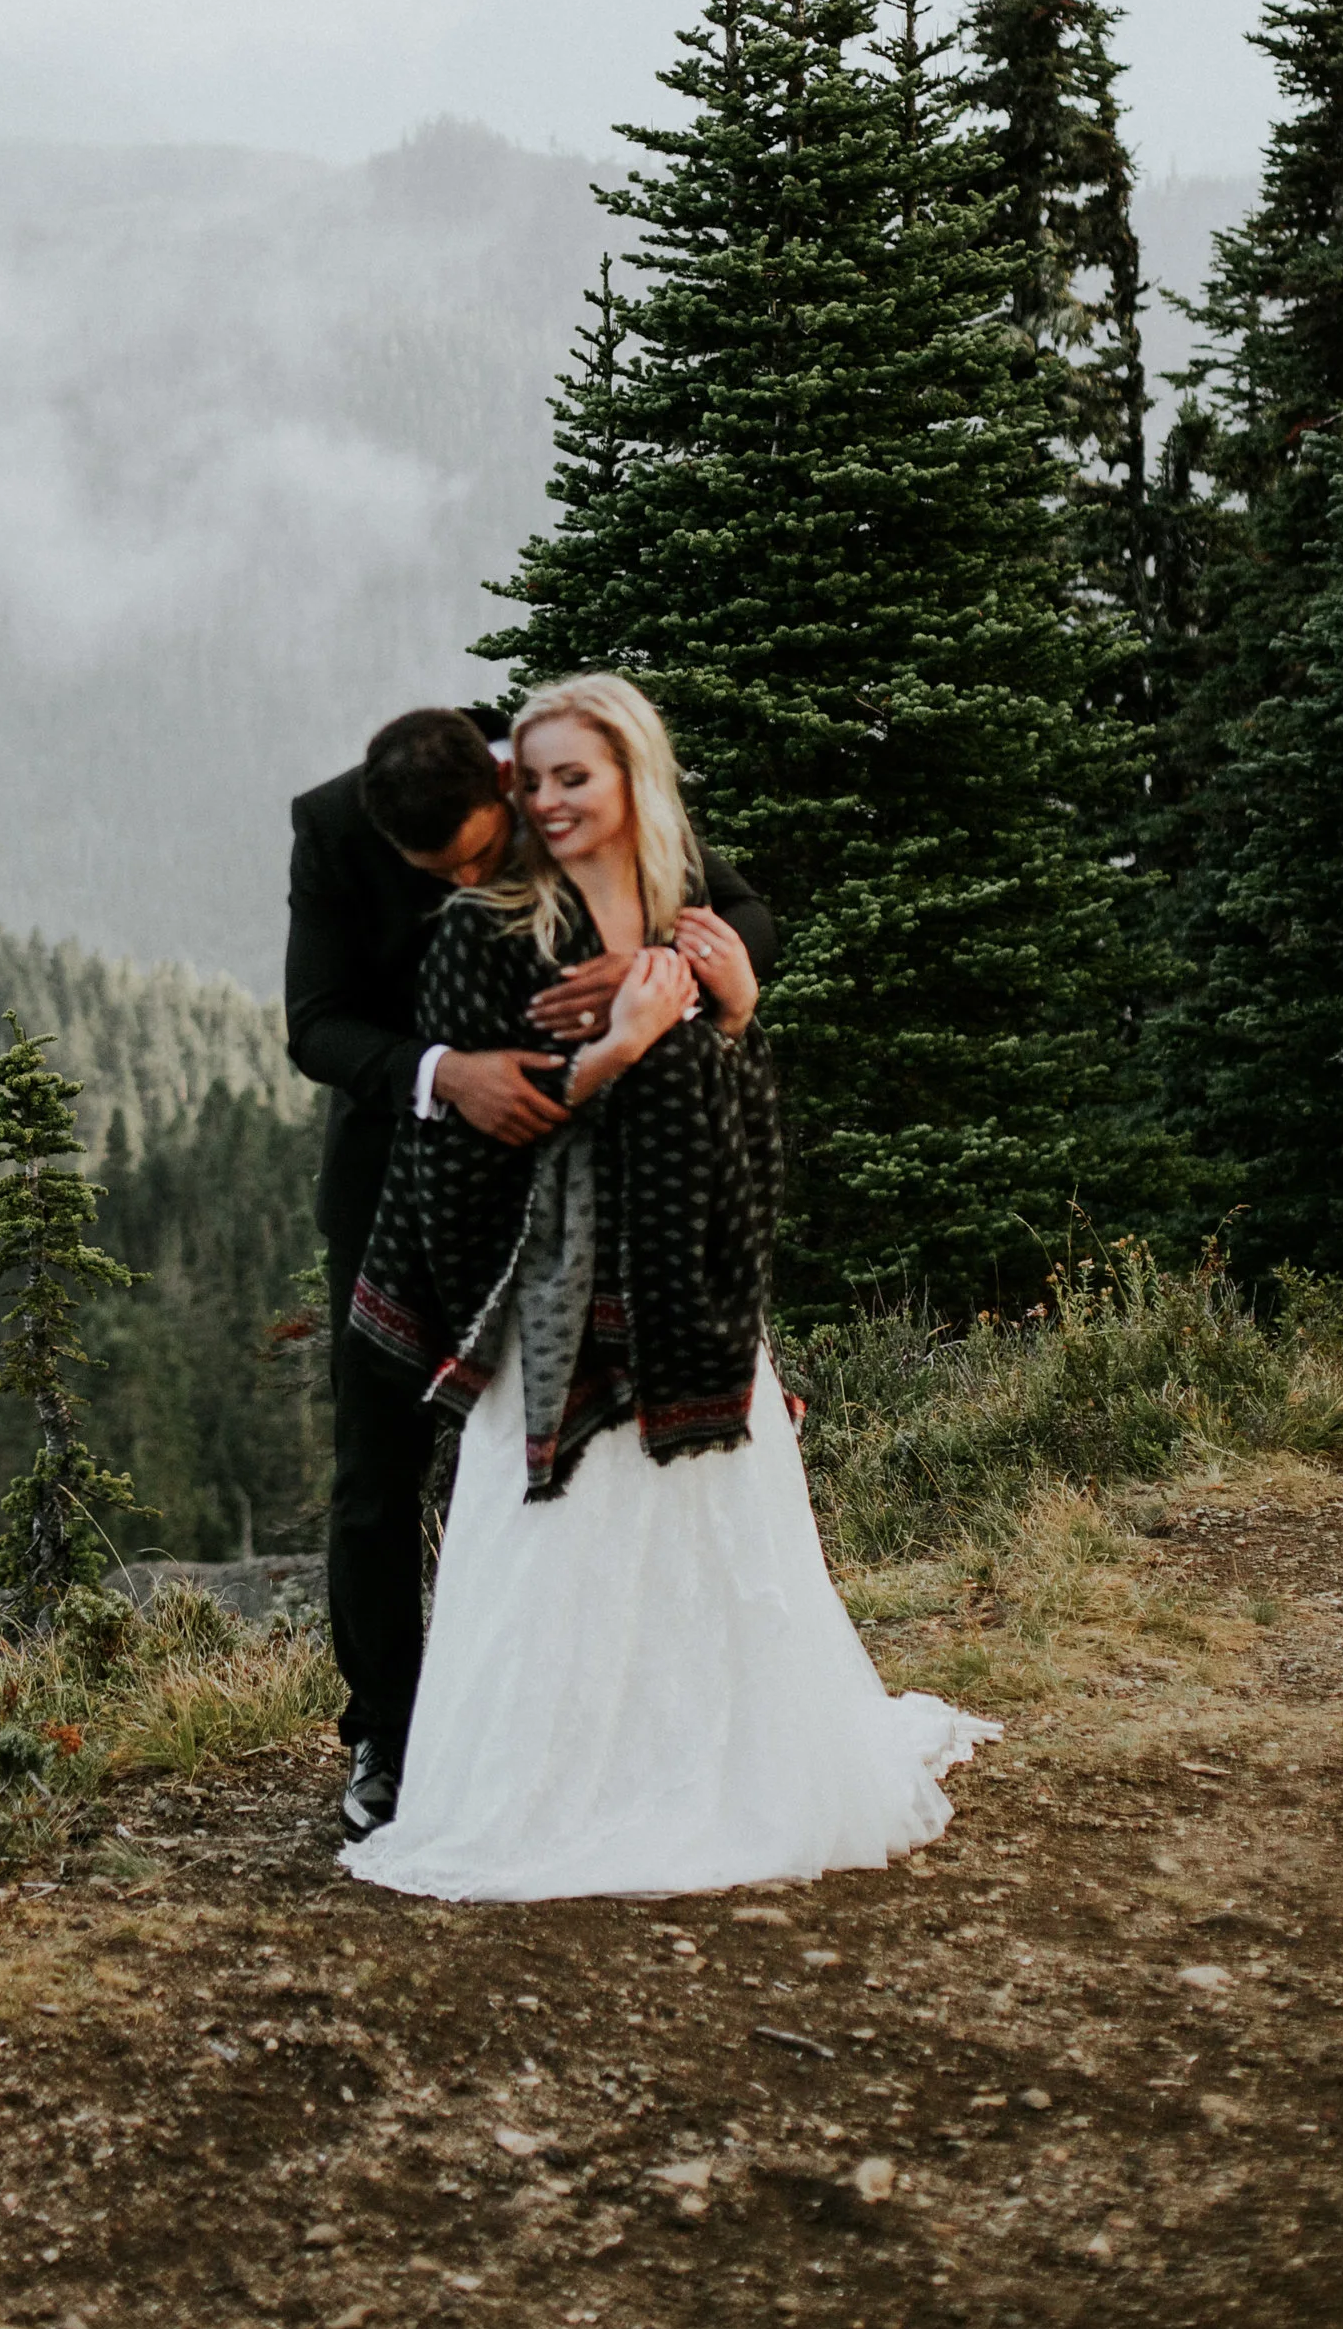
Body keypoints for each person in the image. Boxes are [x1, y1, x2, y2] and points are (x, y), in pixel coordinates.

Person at [340, 673, 995, 1902]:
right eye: (533, 780)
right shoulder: (480, 931)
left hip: (682, 1276)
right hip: (552, 1296)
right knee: (565, 1540)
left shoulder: (678, 905)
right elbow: (488, 1139)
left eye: (576, 776)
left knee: (699, 1531)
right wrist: (620, 1047)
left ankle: (708, 1761)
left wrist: (731, 1009)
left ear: (633, 776)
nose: (551, 799)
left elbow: (727, 1095)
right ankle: (547, 1781)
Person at [284, 699, 778, 1838]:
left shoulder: (571, 774)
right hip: (404, 1198)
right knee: (377, 1471)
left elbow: (738, 911)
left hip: (598, 1200)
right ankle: (389, 1742)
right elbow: (316, 1024)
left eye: (473, 857)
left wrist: (651, 981)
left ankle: (607, 1726)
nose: (461, 882)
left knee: (598, 1463)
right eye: (432, 870)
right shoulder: (330, 829)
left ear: (502, 793)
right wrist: (443, 1070)